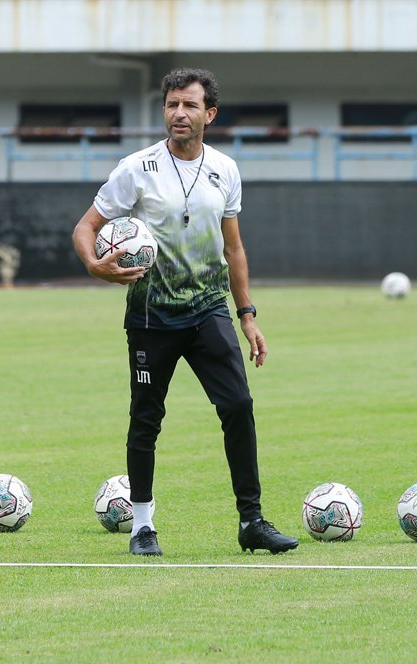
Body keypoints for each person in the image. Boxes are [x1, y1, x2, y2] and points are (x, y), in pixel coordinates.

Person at [72, 67, 298, 557]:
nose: (179, 113)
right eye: (172, 104)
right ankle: (142, 528)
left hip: (208, 309)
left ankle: (252, 521)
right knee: (146, 418)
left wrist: (248, 315)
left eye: (190, 105)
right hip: (152, 317)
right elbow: (86, 227)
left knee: (238, 405)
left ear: (208, 114)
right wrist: (96, 266)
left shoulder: (225, 170)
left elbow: (234, 250)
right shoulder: (137, 168)